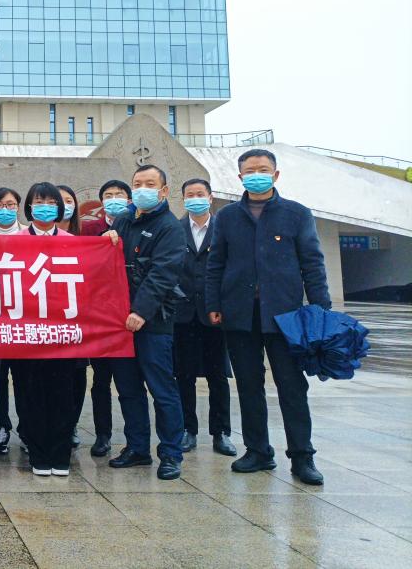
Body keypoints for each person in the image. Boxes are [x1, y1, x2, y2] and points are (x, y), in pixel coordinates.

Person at [206, 149, 330, 485]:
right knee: (249, 385)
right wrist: (213, 302)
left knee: (292, 386)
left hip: (285, 316)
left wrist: (320, 308)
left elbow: (313, 263)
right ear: (240, 177)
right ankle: (258, 451)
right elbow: (216, 263)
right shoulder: (227, 216)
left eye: (263, 169)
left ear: (275, 175)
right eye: (249, 171)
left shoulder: (297, 214)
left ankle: (302, 457)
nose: (256, 175)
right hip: (239, 314)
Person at [107, 164, 186, 481]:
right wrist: (106, 239)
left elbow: (162, 275)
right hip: (118, 322)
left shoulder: (170, 227)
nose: (142, 189)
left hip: (152, 321)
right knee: (128, 389)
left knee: (162, 390)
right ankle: (137, 447)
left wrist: (141, 311)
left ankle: (171, 453)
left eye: (150, 184)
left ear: (163, 190)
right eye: (137, 183)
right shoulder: (124, 220)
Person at [14, 182, 80, 476]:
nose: (45, 207)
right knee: (29, 393)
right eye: (39, 201)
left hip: (61, 332)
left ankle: (60, 453)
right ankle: (38, 453)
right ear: (29, 207)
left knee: (62, 393)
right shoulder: (14, 241)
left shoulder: (72, 241)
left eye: (51, 202)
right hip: (26, 331)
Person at [175, 178, 236, 457]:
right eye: (190, 194)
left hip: (215, 313)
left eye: (200, 193)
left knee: (217, 376)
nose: (195, 198)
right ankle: (187, 429)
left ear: (210, 198)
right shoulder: (175, 229)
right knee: (183, 375)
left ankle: (221, 432)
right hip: (183, 313)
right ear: (183, 199)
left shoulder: (223, 228)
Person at [80, 178, 132, 457]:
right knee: (101, 379)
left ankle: (135, 438)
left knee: (128, 382)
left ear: (129, 199)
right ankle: (103, 435)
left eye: (119, 194)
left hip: (130, 314)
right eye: (108, 195)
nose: (114, 199)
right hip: (99, 315)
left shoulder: (137, 225)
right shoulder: (89, 229)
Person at [0, 187, 26, 454]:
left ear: (18, 207)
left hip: (22, 316)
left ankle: (28, 428)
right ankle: (0, 426)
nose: (5, 209)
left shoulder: (30, 235)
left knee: (23, 377)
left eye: (10, 205)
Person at [56, 184, 87, 449]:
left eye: (68, 200)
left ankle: (71, 424)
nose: (62, 205)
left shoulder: (87, 234)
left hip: (77, 317)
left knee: (76, 373)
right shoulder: (30, 236)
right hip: (43, 317)